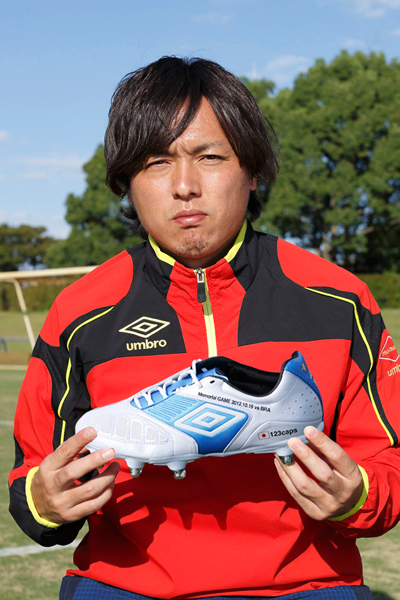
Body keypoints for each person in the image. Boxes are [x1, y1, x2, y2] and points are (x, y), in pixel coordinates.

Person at [9, 56, 400, 600]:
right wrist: (45, 501)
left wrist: (356, 494)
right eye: (156, 162)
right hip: (124, 586)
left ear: (252, 170)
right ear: (127, 183)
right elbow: (31, 477)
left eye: (210, 157)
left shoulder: (338, 300)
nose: (185, 186)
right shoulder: (80, 312)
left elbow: (388, 464)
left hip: (307, 585)